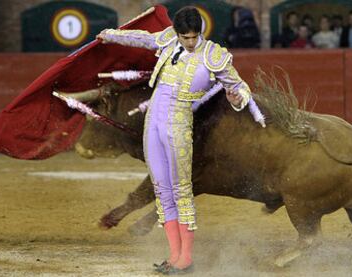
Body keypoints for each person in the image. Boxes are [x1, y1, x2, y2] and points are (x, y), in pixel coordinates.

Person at [97, 6, 252, 275]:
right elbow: (143, 38)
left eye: (194, 37)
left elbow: (238, 86)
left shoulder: (214, 54)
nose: (190, 42)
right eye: (185, 37)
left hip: (179, 122)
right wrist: (110, 35)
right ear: (177, 33)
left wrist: (239, 97)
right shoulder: (169, 38)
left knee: (181, 190)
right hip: (153, 121)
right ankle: (174, 256)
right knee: (162, 189)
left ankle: (186, 258)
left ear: (200, 33)